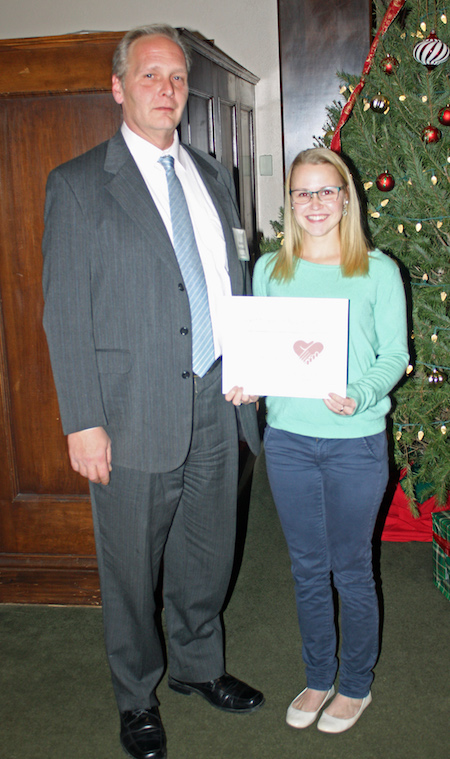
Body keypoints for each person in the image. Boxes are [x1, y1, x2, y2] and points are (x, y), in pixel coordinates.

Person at [42, 24, 263, 759]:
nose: (167, 89)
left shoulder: (212, 174)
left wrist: (250, 359)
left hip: (215, 395)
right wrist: (83, 420)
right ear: (118, 87)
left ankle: (199, 666)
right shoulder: (77, 185)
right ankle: (136, 693)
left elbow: (230, 278)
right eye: (150, 76)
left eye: (176, 77)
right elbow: (64, 310)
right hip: (130, 410)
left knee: (209, 546)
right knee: (131, 566)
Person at [253, 147, 409, 734]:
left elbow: (395, 354)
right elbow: (264, 351)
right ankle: (319, 677)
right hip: (289, 440)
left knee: (351, 569)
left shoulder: (377, 270)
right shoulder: (270, 270)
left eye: (325, 191)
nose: (314, 204)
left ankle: (356, 685)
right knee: (305, 567)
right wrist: (248, 380)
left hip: (355, 441)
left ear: (347, 198)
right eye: (302, 193)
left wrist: (363, 394)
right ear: (290, 203)